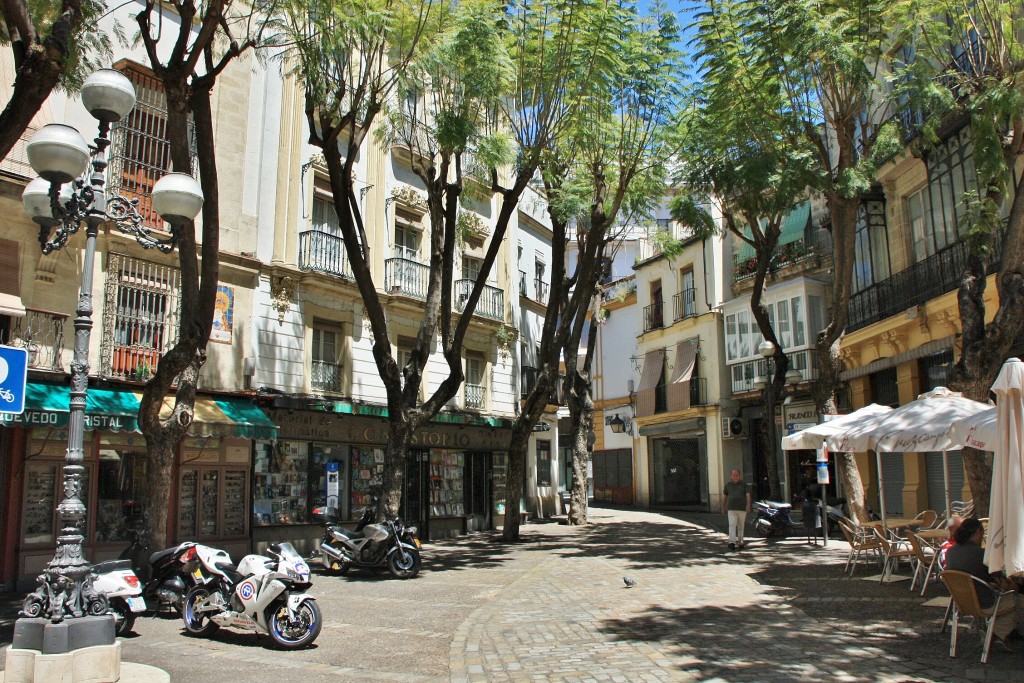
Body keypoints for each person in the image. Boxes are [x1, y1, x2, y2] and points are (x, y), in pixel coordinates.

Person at [944, 518, 1020, 650]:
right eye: (983, 533)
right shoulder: (982, 555)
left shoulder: (950, 552)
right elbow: (1003, 584)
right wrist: (1017, 587)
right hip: (985, 603)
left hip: (962, 602)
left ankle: (994, 635)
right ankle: (997, 634)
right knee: (1019, 599)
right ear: (978, 532)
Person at [722, 469, 751, 550]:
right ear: (731, 476)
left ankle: (740, 541)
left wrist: (748, 504)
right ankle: (732, 542)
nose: (735, 477)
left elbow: (748, 495)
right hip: (731, 508)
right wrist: (723, 507)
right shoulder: (728, 485)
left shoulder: (744, 484)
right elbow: (725, 496)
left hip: (742, 508)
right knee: (732, 525)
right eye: (733, 475)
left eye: (737, 475)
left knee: (741, 526)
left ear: (739, 476)